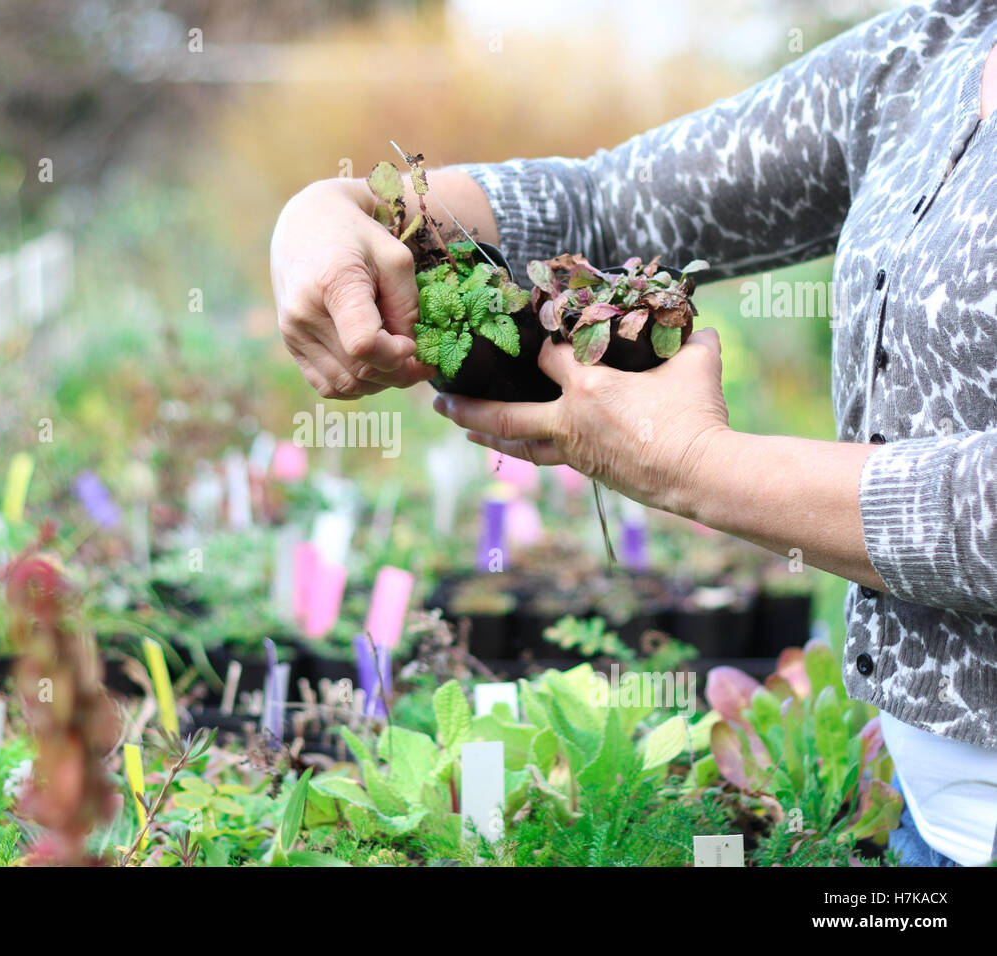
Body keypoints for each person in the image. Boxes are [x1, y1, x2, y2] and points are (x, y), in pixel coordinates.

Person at [270, 0, 997, 866]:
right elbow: (606, 205)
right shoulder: (940, 45)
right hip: (935, 830)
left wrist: (694, 467)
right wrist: (333, 210)